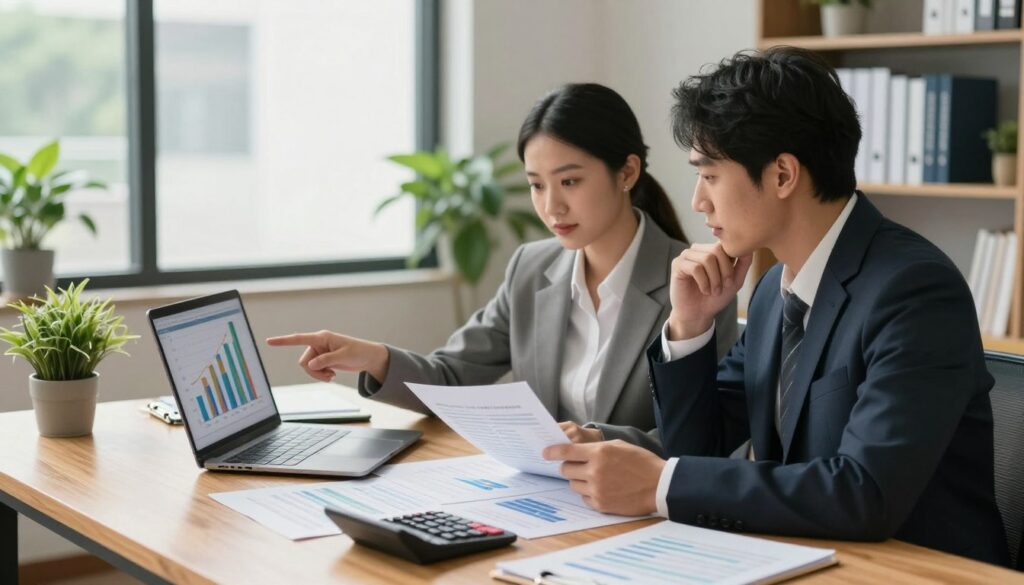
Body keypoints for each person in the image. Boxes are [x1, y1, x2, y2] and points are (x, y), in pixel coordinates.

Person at [541, 48, 1010, 566]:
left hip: (915, 571)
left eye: (711, 174)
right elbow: (699, 449)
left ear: (783, 174)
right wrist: (690, 326)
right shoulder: (772, 291)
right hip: (798, 557)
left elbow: (863, 492)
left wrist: (660, 483)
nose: (698, 201)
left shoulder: (913, 291)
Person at [267, 83, 738, 453]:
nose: (552, 206)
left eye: (570, 181)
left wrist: (598, 440)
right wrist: (373, 358)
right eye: (536, 185)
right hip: (545, 501)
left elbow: (702, 439)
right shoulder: (532, 269)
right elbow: (453, 378)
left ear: (627, 172)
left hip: (632, 511)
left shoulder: (694, 285)